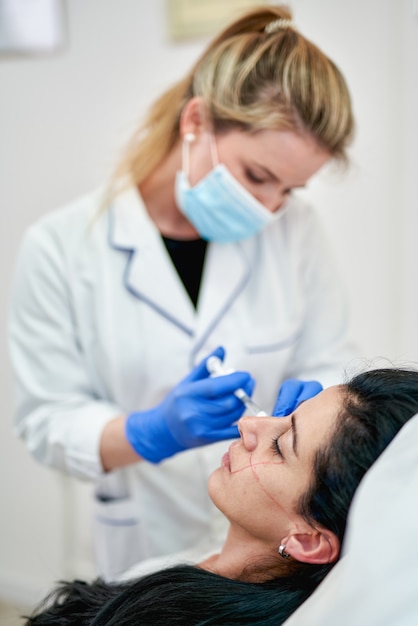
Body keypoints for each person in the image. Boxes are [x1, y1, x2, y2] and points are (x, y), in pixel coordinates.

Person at [8, 4, 358, 578]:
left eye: (289, 190)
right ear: (196, 122)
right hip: (139, 537)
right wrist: (152, 431)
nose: (271, 208)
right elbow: (48, 421)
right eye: (258, 177)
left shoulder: (296, 234)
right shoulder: (61, 247)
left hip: (262, 557)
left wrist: (318, 404)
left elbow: (329, 352)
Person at [23, 366, 418, 626]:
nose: (249, 425)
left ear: (307, 540)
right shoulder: (203, 577)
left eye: (280, 445)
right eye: (288, 413)